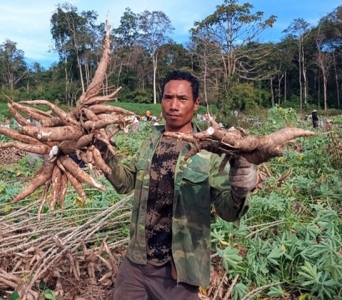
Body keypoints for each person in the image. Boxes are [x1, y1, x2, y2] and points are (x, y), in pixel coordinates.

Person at [98, 70, 256, 300]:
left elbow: (227, 211)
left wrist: (239, 192)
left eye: (182, 99)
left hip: (179, 271)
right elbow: (125, 182)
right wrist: (103, 151)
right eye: (168, 97)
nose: (173, 105)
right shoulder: (151, 141)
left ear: (196, 104)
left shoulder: (210, 152)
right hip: (137, 262)